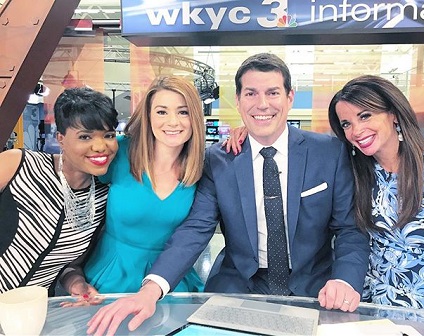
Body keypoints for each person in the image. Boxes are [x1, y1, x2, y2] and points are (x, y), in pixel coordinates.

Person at [87, 53, 370, 336]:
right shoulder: (218, 159)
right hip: (236, 286)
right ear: (238, 100)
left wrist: (344, 281)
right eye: (251, 93)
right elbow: (197, 228)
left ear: (290, 97)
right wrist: (151, 289)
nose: (262, 104)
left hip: (314, 288)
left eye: (272, 92)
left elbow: (349, 229)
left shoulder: (329, 152)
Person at [62, 76, 206, 297]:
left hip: (169, 279)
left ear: (194, 117)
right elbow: (71, 169)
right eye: (161, 111)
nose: (173, 122)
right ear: (148, 115)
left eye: (183, 112)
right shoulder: (119, 152)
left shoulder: (202, 169)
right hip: (109, 274)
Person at [328, 75, 424, 312]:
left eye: (365, 116)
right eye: (346, 124)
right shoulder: (353, 173)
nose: (356, 130)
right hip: (370, 312)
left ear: (393, 113)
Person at [0, 87, 118, 296]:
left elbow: (69, 265)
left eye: (108, 135)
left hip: (33, 313)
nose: (101, 146)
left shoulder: (102, 197)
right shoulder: (20, 165)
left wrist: (78, 285)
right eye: (85, 137)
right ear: (61, 138)